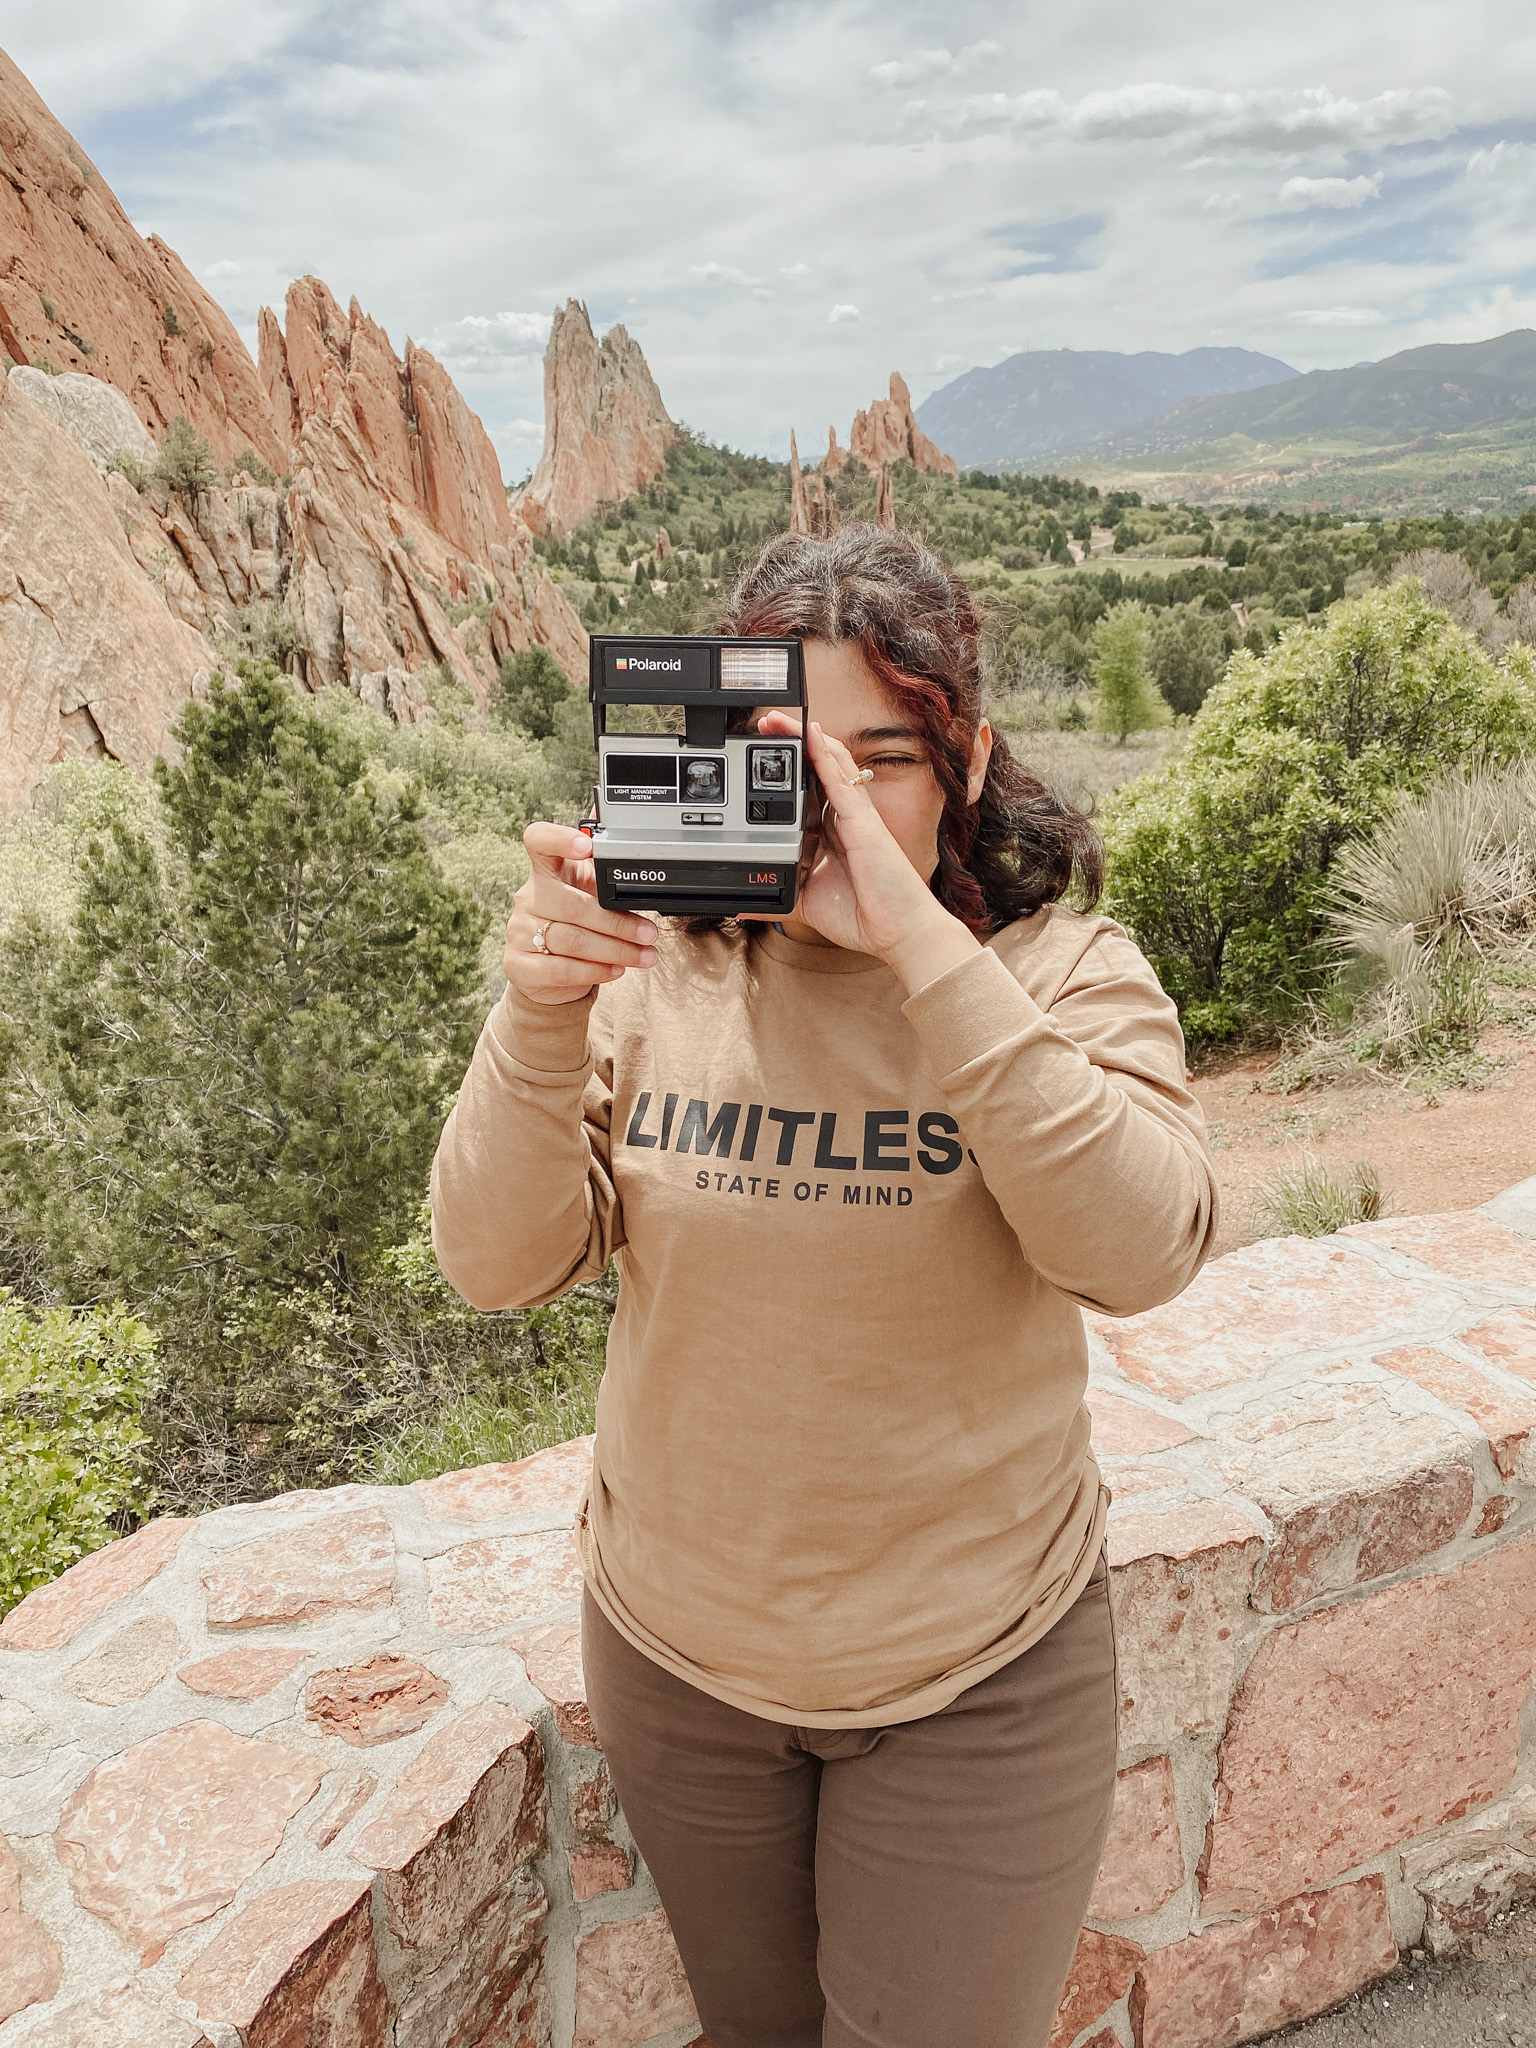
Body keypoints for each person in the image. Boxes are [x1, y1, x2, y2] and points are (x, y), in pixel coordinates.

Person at [431, 524, 1217, 2048]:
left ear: (969, 760)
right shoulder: (659, 971)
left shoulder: (1061, 974)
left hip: (977, 1675)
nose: (838, 802)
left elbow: (1142, 1250)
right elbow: (495, 1261)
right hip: (681, 1667)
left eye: (887, 759)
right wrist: (535, 1011)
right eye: (801, 759)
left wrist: (914, 940)